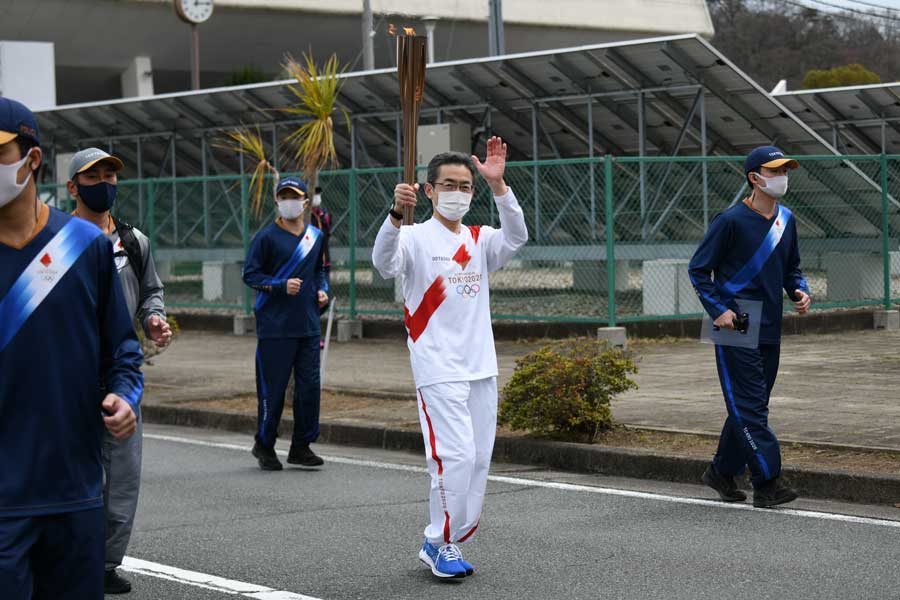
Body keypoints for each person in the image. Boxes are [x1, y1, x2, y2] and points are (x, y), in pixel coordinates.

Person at [0, 98, 144, 599]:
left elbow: (123, 349)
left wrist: (126, 395)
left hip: (76, 497)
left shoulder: (87, 248)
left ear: (31, 160)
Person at [372, 137, 528, 579]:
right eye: (449, 184)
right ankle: (442, 541)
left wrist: (499, 187)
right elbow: (384, 263)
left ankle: (446, 541)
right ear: (429, 190)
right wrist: (393, 216)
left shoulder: (479, 240)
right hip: (438, 367)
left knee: (478, 459)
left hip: (480, 365)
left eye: (466, 186)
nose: (458, 192)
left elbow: (517, 235)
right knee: (452, 458)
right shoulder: (414, 236)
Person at [67, 147, 171, 595]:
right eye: (94, 175)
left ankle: (106, 564)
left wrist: (153, 318)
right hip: (68, 378)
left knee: (123, 478)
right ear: (73, 186)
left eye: (111, 173)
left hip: (121, 377)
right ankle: (67, 558)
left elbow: (151, 292)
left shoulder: (134, 241)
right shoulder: (57, 239)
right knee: (73, 474)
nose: (105, 181)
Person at [688, 145, 812, 509]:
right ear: (754, 178)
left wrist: (799, 290)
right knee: (752, 407)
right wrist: (718, 310)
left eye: (785, 171)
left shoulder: (786, 220)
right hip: (736, 321)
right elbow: (698, 269)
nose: (782, 178)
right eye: (774, 171)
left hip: (771, 321)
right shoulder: (729, 221)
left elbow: (792, 267)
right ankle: (768, 482)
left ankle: (721, 471)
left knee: (751, 405)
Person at [242, 176, 329, 471]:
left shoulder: (315, 237)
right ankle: (264, 444)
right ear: (277, 201)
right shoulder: (266, 237)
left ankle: (301, 446)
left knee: (309, 388)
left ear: (305, 201)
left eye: (294, 196)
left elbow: (320, 271)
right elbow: (250, 275)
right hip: (275, 328)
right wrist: (280, 285)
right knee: (273, 390)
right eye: (283, 196)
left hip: (307, 325)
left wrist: (323, 291)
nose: (289, 201)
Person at [310, 186, 332, 348]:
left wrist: (322, 217)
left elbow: (327, 232)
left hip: (324, 262)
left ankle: (314, 333)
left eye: (318, 194)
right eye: (313, 195)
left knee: (323, 300)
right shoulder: (304, 218)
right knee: (311, 300)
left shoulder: (323, 215)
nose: (317, 197)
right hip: (310, 264)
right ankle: (312, 335)